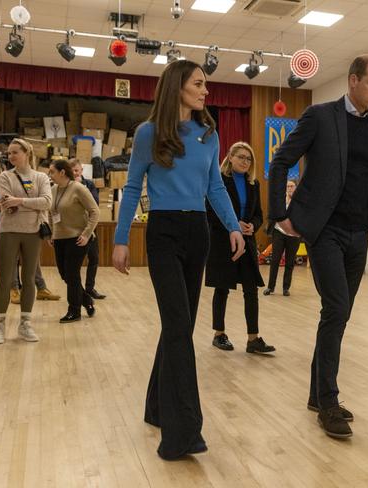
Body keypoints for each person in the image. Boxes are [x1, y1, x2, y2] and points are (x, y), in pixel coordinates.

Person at [112, 60, 245, 460]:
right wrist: (120, 241)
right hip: (163, 233)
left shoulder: (209, 135)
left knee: (180, 325)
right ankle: (182, 431)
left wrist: (233, 225)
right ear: (177, 87)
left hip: (198, 233)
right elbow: (133, 186)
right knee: (176, 327)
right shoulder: (148, 133)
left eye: (206, 84)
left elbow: (214, 186)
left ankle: (156, 407)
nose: (206, 91)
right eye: (199, 84)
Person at [267, 54, 368, 438]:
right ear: (353, 80)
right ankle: (329, 401)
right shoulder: (320, 116)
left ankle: (315, 394)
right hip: (324, 231)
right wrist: (279, 214)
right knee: (335, 308)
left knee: (340, 314)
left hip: (359, 232)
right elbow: (281, 162)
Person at [206, 142, 275, 354]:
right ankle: (219, 334)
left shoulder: (253, 183)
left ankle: (253, 339)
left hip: (247, 242)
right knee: (222, 287)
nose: (245, 162)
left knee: (251, 289)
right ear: (230, 157)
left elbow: (259, 214)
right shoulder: (219, 180)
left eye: (249, 159)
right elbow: (211, 211)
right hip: (223, 241)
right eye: (241, 157)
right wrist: (234, 224)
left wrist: (253, 225)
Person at [0, 138, 52, 344]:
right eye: (9, 153)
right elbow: (7, 203)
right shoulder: (5, 176)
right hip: (8, 231)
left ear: (27, 153)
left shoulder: (41, 176)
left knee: (28, 279)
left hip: (33, 232)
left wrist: (21, 201)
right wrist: (27, 204)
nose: (11, 156)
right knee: (6, 278)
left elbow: (47, 202)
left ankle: (25, 323)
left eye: (15, 152)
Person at [48, 159, 99, 323]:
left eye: (52, 172)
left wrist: (86, 234)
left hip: (77, 238)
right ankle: (86, 300)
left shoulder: (78, 188)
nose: (50, 175)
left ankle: (74, 310)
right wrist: (51, 233)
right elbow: (51, 213)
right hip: (59, 238)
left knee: (72, 274)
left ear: (62, 172)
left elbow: (95, 211)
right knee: (66, 275)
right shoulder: (54, 189)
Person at [71, 159, 106, 300]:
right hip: (73, 229)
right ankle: (77, 290)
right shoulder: (64, 186)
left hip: (90, 228)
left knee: (94, 259)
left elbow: (95, 203)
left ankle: (90, 288)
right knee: (75, 263)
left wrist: (80, 188)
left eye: (77, 170)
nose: (74, 173)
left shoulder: (89, 184)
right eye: (72, 171)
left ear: (81, 171)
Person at [263, 179, 301, 297]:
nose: (289, 188)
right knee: (275, 260)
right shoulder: (280, 200)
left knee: (290, 262)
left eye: (292, 186)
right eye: (288, 186)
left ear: (295, 188)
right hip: (279, 232)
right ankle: (270, 287)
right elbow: (272, 212)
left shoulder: (300, 202)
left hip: (294, 235)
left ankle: (286, 288)